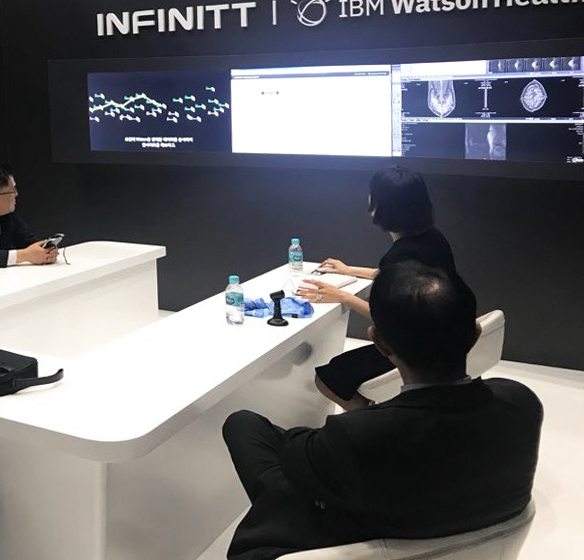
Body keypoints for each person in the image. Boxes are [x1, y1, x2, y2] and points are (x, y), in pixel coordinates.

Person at [223, 262, 542, 560]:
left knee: (244, 426)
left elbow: (295, 457)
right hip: (456, 528)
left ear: (379, 343)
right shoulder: (521, 402)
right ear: (475, 334)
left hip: (365, 535)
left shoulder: (357, 435)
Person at [296, 166, 458, 411]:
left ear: (379, 206)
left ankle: (372, 418)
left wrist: (343, 297)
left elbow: (390, 318)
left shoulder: (401, 254)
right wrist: (348, 270)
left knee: (327, 379)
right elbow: (402, 277)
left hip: (415, 352)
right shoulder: (433, 238)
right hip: (443, 342)